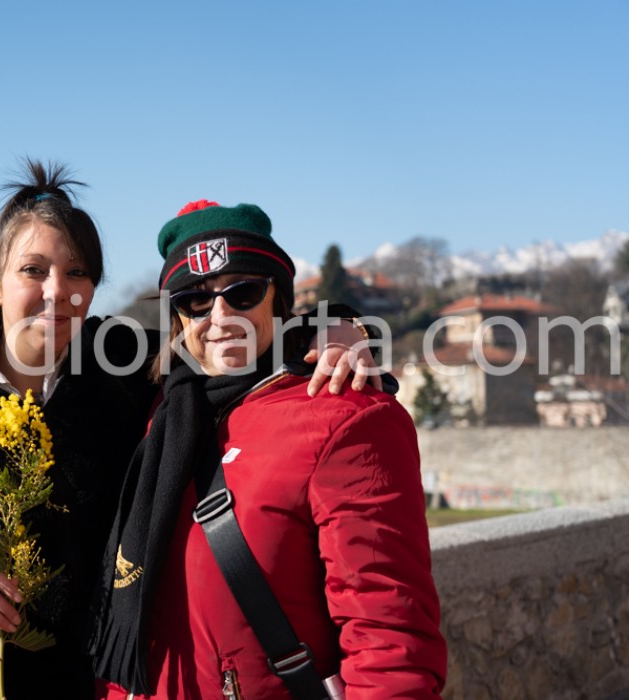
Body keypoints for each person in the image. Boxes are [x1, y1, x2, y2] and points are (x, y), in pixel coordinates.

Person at [0, 163, 384, 700]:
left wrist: (336, 327)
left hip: (96, 686)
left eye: (77, 272)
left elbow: (223, 331)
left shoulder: (119, 366)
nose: (57, 291)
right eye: (33, 270)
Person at [89, 200, 447, 699]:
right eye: (195, 300)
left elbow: (389, 636)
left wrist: (338, 325)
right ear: (178, 316)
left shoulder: (345, 413)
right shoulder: (164, 408)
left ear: (277, 297)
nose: (220, 316)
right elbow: (38, 336)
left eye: (243, 292)